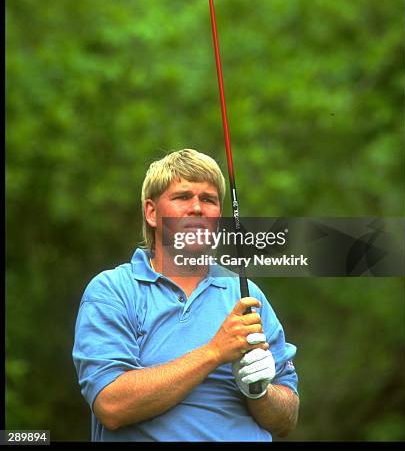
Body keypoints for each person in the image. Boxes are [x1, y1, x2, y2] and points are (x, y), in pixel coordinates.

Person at [73, 149, 299, 442]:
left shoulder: (246, 295)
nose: (197, 208)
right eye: (182, 197)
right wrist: (214, 353)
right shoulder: (113, 290)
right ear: (152, 213)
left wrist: (259, 392)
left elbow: (287, 418)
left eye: (208, 199)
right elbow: (112, 405)